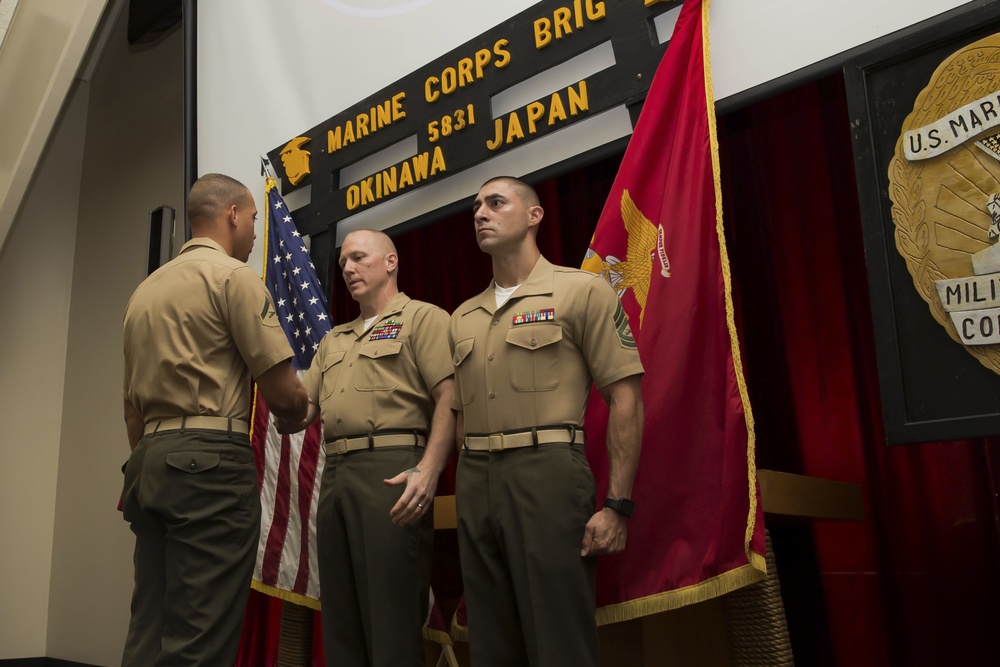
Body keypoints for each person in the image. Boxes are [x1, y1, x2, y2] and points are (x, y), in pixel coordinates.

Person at [449, 176, 645, 667]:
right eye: (475, 207)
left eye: (495, 203)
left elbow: (625, 398)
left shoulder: (582, 292)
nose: (480, 214)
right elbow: (458, 412)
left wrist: (617, 505)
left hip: (548, 473)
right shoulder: (462, 317)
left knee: (558, 638)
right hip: (475, 480)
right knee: (490, 642)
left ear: (535, 215)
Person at [120, 173, 309, 666]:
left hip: (147, 465)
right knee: (199, 636)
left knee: (150, 627)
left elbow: (131, 410)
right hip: (209, 468)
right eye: (251, 220)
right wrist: (305, 410)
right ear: (232, 215)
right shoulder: (233, 278)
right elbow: (282, 394)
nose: (252, 233)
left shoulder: (143, 294)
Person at [277, 229, 456, 667]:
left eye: (358, 258)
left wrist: (429, 469)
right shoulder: (333, 339)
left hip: (391, 470)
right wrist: (274, 387)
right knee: (341, 616)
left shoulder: (423, 318)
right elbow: (303, 414)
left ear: (390, 262)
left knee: (390, 618)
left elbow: (451, 398)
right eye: (342, 264)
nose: (348, 269)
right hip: (336, 474)